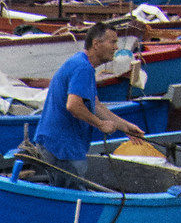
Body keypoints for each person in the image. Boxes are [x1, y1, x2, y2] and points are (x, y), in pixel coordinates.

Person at [32, 22, 145, 172]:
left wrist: (125, 127)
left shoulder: (82, 63)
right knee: (73, 193)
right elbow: (73, 105)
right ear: (96, 44)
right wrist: (100, 124)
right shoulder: (83, 68)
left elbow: (96, 105)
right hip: (63, 149)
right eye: (112, 42)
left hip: (58, 145)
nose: (116, 47)